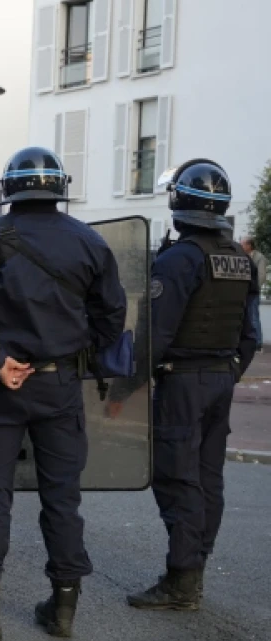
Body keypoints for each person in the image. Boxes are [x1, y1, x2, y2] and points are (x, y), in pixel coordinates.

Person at [0, 147, 126, 641]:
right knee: (62, 498)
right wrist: (82, 352)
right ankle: (64, 608)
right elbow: (113, 314)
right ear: (59, 188)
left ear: (8, 189)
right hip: (60, 384)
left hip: (1, 386)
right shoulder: (88, 241)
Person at [119, 161, 258, 611]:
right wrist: (227, 373)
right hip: (221, 380)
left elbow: (155, 335)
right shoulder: (240, 258)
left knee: (177, 477)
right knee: (207, 477)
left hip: (182, 384)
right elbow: (251, 337)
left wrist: (123, 389)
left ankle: (181, 580)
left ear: (180, 202)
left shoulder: (180, 259)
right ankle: (194, 567)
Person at [240, 236, 265, 349]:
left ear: (249, 245)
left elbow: (261, 275)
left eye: (243, 244)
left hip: (253, 292)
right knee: (245, 316)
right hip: (244, 291)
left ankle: (257, 342)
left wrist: (255, 288)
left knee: (253, 316)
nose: (241, 246)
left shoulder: (259, 258)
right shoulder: (242, 256)